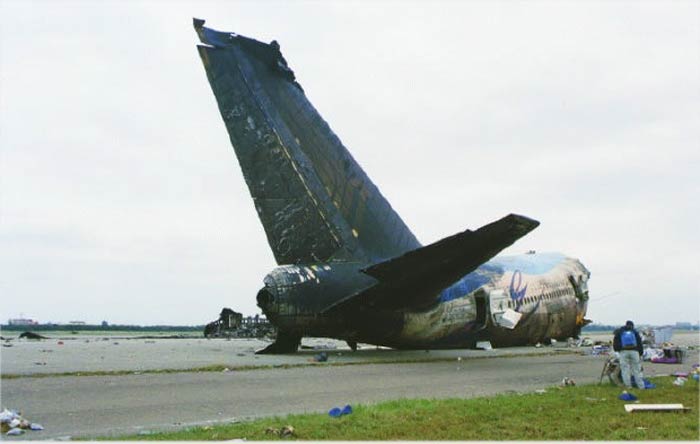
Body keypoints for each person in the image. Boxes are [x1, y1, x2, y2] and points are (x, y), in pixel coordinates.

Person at [613, 320, 645, 389]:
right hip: (634, 351)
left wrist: (618, 350)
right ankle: (641, 386)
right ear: (632, 325)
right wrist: (640, 353)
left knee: (625, 370)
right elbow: (639, 343)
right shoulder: (634, 332)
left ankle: (628, 386)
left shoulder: (620, 331)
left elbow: (615, 343)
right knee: (637, 369)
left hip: (623, 352)